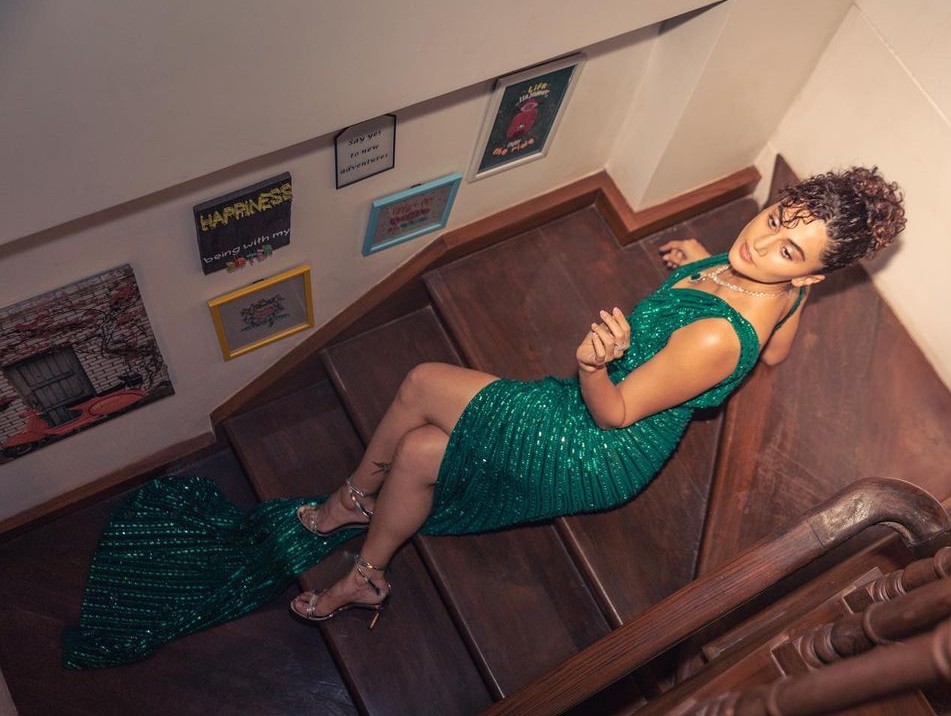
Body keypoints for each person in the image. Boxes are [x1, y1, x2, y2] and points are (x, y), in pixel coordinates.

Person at [289, 165, 907, 624]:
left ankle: (351, 498)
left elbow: (613, 414)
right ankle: (367, 573)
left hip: (598, 442)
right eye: (775, 219)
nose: (760, 245)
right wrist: (705, 262)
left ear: (811, 275)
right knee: (420, 451)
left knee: (423, 381)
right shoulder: (782, 288)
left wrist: (590, 366)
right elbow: (775, 351)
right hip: (615, 405)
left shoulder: (717, 337)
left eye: (789, 252)